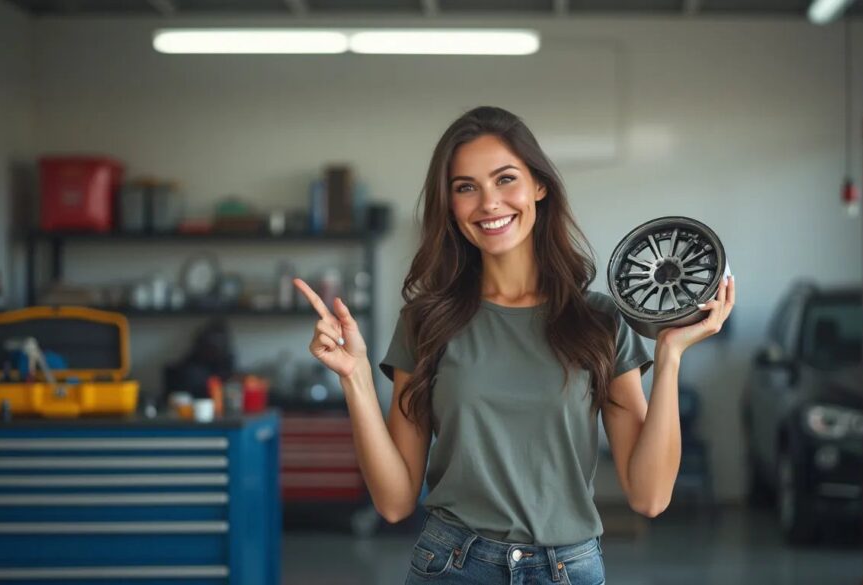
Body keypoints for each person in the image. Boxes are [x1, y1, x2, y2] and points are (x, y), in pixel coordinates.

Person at [294, 105, 735, 584]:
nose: (489, 203)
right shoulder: (426, 322)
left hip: (568, 569)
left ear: (539, 186)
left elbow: (649, 497)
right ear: (450, 205)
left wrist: (669, 358)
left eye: (506, 179)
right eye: (466, 187)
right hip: (452, 565)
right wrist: (356, 379)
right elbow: (395, 502)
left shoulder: (599, 320)